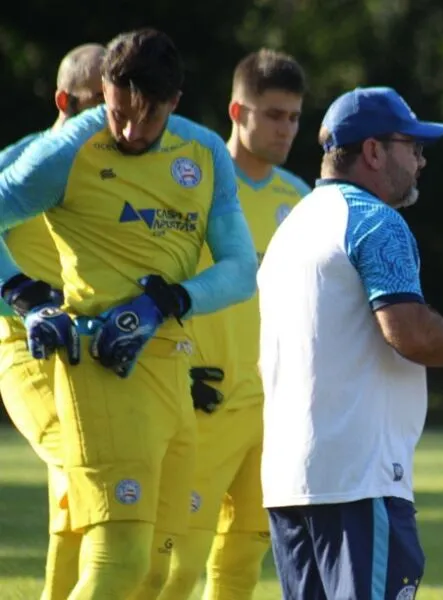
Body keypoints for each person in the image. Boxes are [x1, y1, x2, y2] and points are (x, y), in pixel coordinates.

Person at [0, 28, 257, 599]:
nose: (128, 131)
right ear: (104, 94)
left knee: (158, 575)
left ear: (175, 103)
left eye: (147, 117)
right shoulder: (72, 149)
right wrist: (25, 296)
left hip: (170, 370)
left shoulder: (204, 153)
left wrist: (167, 301)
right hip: (97, 366)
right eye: (117, 113)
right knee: (118, 562)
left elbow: (241, 270)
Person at [257, 86, 443, 600]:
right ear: (373, 151)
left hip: (289, 481)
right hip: (359, 476)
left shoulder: (292, 225)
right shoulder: (374, 221)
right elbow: (407, 330)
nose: (420, 161)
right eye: (411, 146)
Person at [159, 48, 311, 600]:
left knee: (243, 560)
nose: (286, 128)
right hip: (205, 399)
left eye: (294, 117)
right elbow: (156, 287)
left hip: (274, 410)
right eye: (273, 114)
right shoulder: (192, 187)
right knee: (177, 564)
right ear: (236, 111)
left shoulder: (301, 199)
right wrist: (176, 368)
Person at [0, 42, 105, 600]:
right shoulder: (23, 161)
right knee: (89, 467)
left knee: (73, 500)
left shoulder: (112, 168)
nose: (111, 117)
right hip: (23, 347)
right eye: (95, 103)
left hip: (89, 353)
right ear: (64, 100)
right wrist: (19, 297)